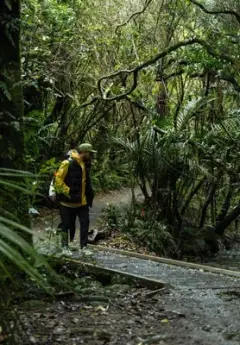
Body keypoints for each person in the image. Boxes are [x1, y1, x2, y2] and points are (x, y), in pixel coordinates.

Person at [54, 143, 96, 251]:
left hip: (82, 202)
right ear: (84, 152)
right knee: (66, 225)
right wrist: (68, 191)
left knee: (85, 223)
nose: (91, 156)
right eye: (89, 153)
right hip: (67, 203)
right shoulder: (67, 163)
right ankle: (64, 247)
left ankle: (84, 247)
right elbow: (58, 181)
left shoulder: (85, 164)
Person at [49, 150, 78, 242]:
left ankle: (70, 240)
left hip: (72, 199)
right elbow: (56, 180)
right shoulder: (64, 165)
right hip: (62, 197)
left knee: (71, 221)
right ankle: (64, 242)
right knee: (66, 221)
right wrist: (53, 193)